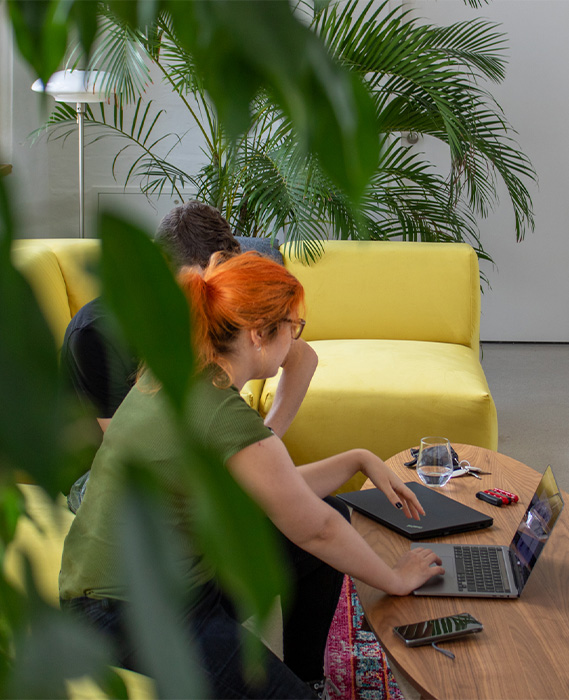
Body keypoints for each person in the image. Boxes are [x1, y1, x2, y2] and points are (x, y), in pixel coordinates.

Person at [59, 252, 444, 699]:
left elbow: (280, 493)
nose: (296, 340)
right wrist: (395, 578)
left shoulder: (179, 375)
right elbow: (315, 530)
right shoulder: (221, 413)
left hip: (170, 579)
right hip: (123, 612)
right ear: (260, 335)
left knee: (331, 509)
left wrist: (357, 459)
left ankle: (307, 678)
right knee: (323, 529)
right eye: (293, 327)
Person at [61, 200, 318, 437]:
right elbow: (130, 453)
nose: (204, 298)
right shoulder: (97, 334)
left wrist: (267, 436)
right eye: (195, 285)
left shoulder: (216, 304)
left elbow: (303, 358)